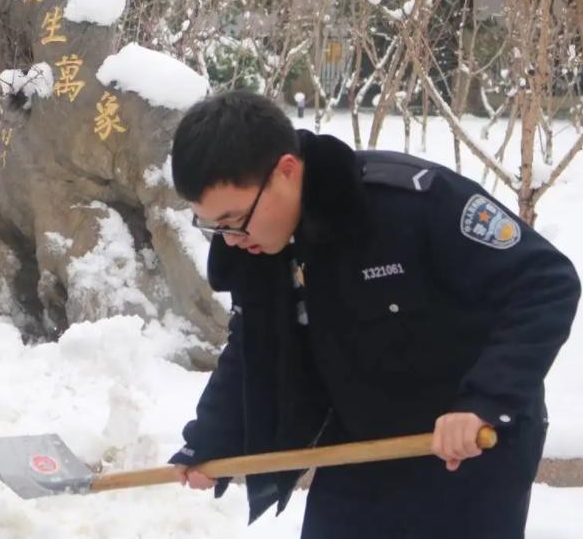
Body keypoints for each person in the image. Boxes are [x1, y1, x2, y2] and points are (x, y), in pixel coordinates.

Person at [167, 90, 579, 538]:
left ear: (286, 170)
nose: (230, 239)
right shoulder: (258, 242)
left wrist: (485, 402)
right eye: (215, 226)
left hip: (469, 442)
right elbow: (255, 341)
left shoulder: (411, 204)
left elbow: (545, 282)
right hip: (363, 442)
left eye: (234, 220)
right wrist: (213, 437)